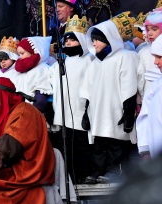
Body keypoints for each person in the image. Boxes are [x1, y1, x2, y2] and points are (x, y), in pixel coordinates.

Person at [80, 13, 138, 183]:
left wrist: (128, 112)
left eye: (98, 39)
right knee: (100, 142)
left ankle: (114, 172)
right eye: (93, 40)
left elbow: (129, 84)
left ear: (109, 38)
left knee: (116, 143)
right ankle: (99, 171)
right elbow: (89, 89)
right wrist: (87, 112)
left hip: (115, 109)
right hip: (98, 111)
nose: (94, 43)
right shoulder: (95, 62)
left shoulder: (126, 57)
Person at [49, 15, 94, 183]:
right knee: (68, 146)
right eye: (66, 39)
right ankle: (72, 176)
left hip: (82, 109)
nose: (67, 42)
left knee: (83, 145)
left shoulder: (89, 60)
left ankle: (84, 174)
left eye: (72, 39)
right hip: (65, 112)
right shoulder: (61, 63)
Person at [11, 36, 53, 114]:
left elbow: (42, 92)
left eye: (22, 53)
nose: (20, 57)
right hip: (18, 110)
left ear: (33, 51)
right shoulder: (18, 71)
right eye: (19, 54)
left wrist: (36, 112)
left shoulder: (42, 68)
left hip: (32, 111)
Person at [136, 34, 162, 160]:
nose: (156, 62)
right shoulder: (155, 86)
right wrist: (145, 148)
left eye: (160, 57)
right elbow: (145, 117)